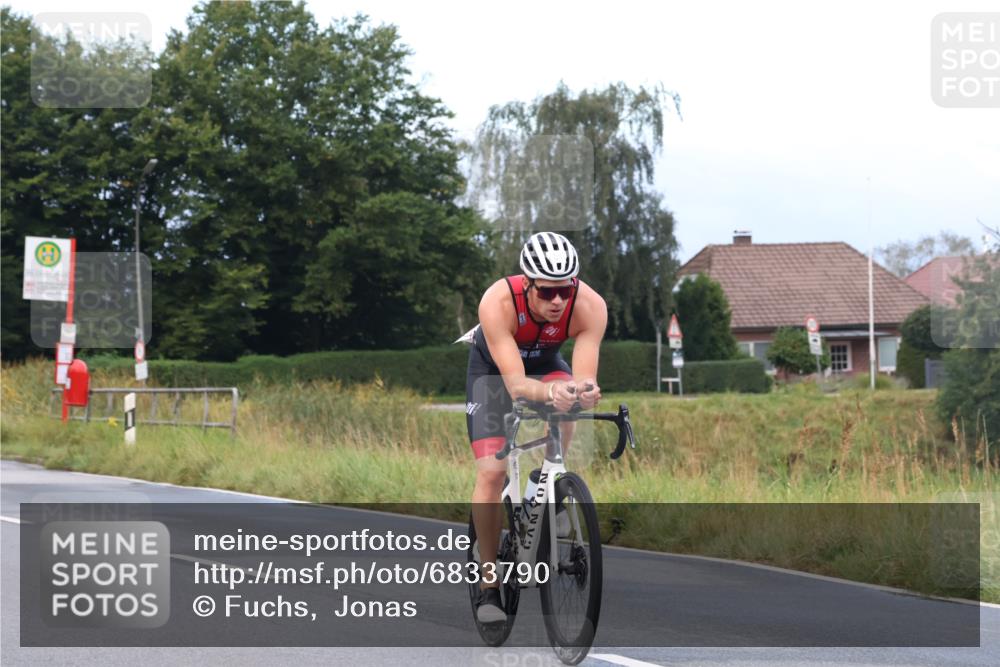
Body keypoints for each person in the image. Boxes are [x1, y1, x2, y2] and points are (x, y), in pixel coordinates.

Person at [465, 231, 607, 623]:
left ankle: (544, 490)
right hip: (494, 374)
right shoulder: (497, 303)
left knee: (569, 403)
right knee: (492, 472)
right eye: (546, 293)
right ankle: (489, 582)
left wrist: (585, 389)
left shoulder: (591, 306)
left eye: (565, 290)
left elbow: (584, 374)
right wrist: (554, 393)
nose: (558, 301)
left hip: (545, 363)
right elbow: (515, 386)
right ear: (527, 285)